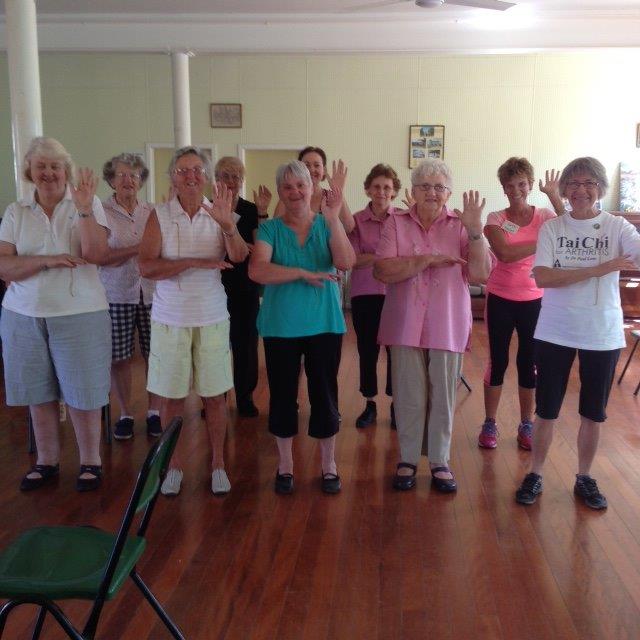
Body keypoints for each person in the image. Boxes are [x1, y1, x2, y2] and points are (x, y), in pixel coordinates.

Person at [515, 157, 640, 509]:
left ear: (600, 188)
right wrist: (602, 267)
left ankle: (584, 476)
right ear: (565, 190)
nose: (581, 190)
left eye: (589, 183)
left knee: (593, 412)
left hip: (602, 332)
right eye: (574, 183)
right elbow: (543, 277)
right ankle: (535, 473)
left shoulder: (617, 227)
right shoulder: (553, 229)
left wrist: (575, 269)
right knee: (547, 409)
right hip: (555, 329)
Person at [0, 136, 111, 492]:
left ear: (67, 170)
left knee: (84, 392)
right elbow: (5, 267)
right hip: (22, 314)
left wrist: (83, 211)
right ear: (29, 171)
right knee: (38, 392)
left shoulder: (88, 202)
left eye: (55, 166)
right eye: (41, 166)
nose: (48, 173)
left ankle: (90, 462)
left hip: (80, 312)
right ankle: (46, 461)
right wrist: (47, 260)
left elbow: (96, 254)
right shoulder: (15, 211)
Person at [374, 158, 490, 493]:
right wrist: (425, 260)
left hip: (447, 322)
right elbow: (382, 270)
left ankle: (440, 460)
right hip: (404, 322)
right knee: (409, 394)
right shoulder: (396, 223)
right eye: (424, 186)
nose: (432, 192)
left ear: (448, 193)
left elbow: (481, 273)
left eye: (439, 187)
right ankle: (408, 458)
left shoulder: (460, 226)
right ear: (412, 191)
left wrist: (475, 231)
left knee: (443, 396)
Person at [139, 146, 248, 497]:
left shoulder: (218, 211)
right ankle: (173, 467)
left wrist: (228, 226)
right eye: (183, 170)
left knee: (216, 397)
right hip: (170, 318)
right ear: (172, 176)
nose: (191, 176)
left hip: (212, 316)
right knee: (172, 398)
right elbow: (147, 267)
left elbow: (240, 256)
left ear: (206, 177)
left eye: (197, 170)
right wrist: (192, 263)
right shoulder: (159, 214)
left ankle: (218, 463)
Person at [249, 160, 355, 495]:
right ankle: (285, 465)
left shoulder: (326, 224)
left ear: (312, 188)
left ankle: (328, 465)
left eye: (301, 185)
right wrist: (300, 273)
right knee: (282, 395)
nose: (295, 192)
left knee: (324, 394)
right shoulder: (270, 230)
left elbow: (345, 262)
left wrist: (334, 218)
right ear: (280, 191)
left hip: (323, 324)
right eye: (287, 187)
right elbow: (258, 271)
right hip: (281, 326)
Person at [478, 159, 564, 450]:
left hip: (535, 300)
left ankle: (526, 423)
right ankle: (490, 422)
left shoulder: (546, 214)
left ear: (530, 184)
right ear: (503, 188)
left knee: (529, 364)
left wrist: (554, 195)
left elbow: (568, 230)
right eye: (510, 185)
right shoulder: (496, 217)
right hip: (500, 297)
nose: (516, 189)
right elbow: (504, 253)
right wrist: (544, 240)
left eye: (522, 183)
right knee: (497, 362)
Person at [99, 152, 161, 440]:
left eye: (134, 175)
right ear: (111, 180)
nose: (128, 180)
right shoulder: (100, 211)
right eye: (122, 175)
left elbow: (160, 252)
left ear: (141, 180)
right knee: (119, 357)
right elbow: (102, 257)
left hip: (151, 294)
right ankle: (125, 413)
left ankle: (154, 412)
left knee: (155, 354)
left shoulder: (152, 211)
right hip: (116, 294)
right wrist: (139, 248)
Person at [215, 156, 271, 417]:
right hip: (215, 286)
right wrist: (239, 245)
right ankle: (216, 398)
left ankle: (245, 397)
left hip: (246, 285)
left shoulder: (250, 209)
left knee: (246, 344)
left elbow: (260, 247)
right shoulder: (209, 207)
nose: (232, 181)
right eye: (226, 176)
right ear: (217, 179)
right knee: (216, 345)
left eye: (236, 176)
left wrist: (261, 213)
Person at [349, 163, 401, 429]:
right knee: (367, 351)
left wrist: (376, 258)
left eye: (387, 188)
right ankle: (369, 403)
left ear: (394, 192)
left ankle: (396, 404)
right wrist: (387, 257)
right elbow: (353, 260)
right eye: (377, 187)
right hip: (364, 294)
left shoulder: (403, 218)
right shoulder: (355, 220)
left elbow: (408, 256)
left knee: (396, 353)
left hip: (396, 294)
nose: (382, 192)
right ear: (368, 190)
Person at [274, 146, 354, 233]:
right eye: (306, 165)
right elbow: (277, 229)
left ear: (324, 170)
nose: (312, 170)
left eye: (317, 165)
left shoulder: (331, 197)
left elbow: (348, 228)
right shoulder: (291, 196)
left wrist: (338, 192)